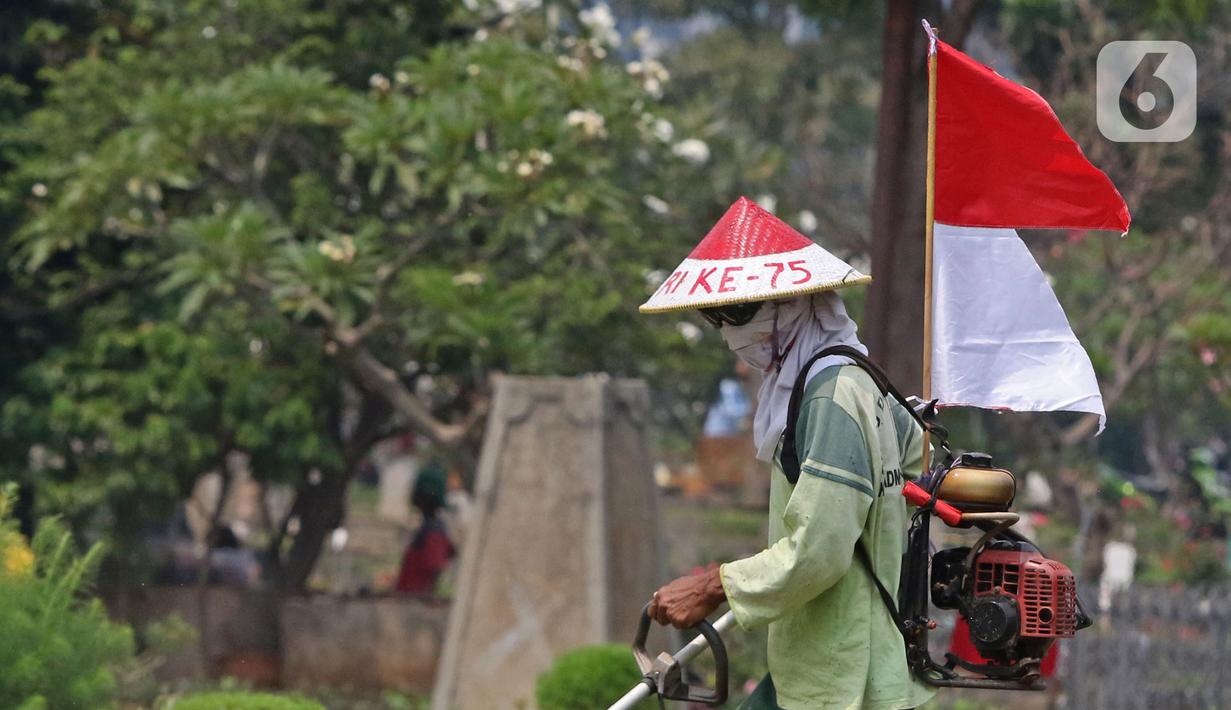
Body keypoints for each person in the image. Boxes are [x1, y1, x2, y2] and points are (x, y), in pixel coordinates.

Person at [641, 197, 934, 710]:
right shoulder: (862, 381)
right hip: (828, 659)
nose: (729, 331)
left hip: (843, 676)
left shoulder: (830, 397)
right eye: (716, 317)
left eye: (739, 313)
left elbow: (818, 550)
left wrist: (711, 587)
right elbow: (915, 461)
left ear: (797, 304)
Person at [395, 463, 456, 595]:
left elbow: (434, 566)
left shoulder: (433, 529)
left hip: (414, 597)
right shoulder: (430, 526)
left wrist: (423, 595)